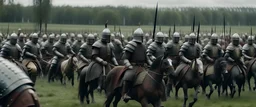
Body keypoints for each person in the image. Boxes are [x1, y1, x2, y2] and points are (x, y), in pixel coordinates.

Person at [121, 27, 151, 101]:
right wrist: (129, 65)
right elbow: (125, 58)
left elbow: (147, 59)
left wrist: (151, 64)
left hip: (143, 67)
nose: (142, 37)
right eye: (141, 36)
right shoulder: (131, 44)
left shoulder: (143, 46)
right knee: (128, 76)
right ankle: (125, 94)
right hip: (133, 66)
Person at [86, 26, 118, 91]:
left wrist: (116, 64)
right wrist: (101, 61)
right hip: (97, 63)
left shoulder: (110, 45)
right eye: (108, 36)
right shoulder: (97, 44)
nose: (109, 38)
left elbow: (112, 56)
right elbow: (94, 56)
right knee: (100, 73)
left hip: (107, 63)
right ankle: (99, 85)